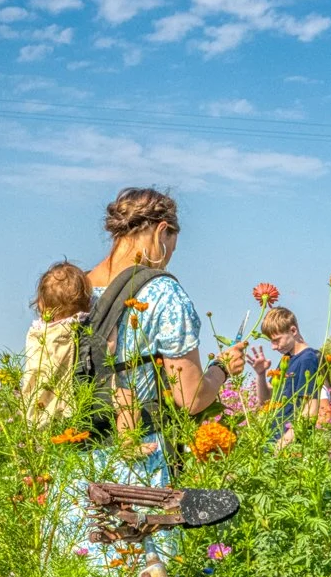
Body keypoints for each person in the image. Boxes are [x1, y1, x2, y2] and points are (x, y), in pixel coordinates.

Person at [84, 187, 245, 480]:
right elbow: (191, 397)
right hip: (136, 466)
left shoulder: (75, 289)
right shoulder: (163, 293)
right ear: (161, 232)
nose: (169, 256)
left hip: (76, 467)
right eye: (171, 246)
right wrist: (222, 368)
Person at [22, 260, 91, 429]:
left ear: (40, 304)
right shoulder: (77, 326)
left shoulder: (37, 331)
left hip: (38, 406)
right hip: (67, 406)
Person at [248, 306, 328, 447]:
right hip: (274, 436)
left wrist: (283, 444)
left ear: (293, 330)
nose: (273, 347)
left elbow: (310, 410)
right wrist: (260, 374)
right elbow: (266, 400)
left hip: (289, 444)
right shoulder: (287, 358)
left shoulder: (307, 359)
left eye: (276, 340)